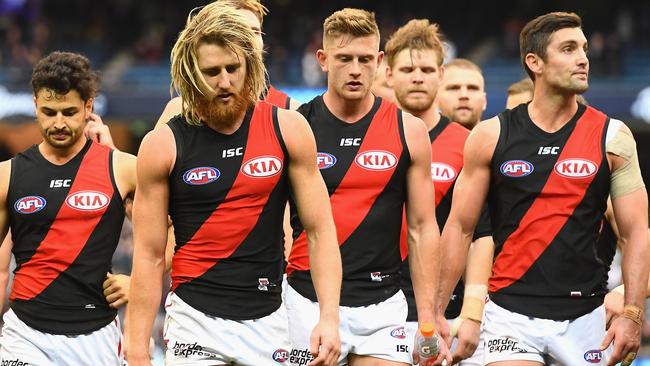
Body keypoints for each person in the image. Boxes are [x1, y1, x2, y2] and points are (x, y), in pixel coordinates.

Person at [126, 4, 342, 365]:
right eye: (211, 72)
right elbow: (148, 255)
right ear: (192, 73)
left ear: (250, 65)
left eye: (232, 69)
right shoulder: (163, 144)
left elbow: (320, 231)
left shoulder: (287, 129)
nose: (224, 82)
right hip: (193, 321)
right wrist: (136, 347)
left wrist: (330, 319)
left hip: (269, 319)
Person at [436, 12, 648, 366]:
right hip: (509, 315)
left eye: (582, 48)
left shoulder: (615, 137)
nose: (583, 58)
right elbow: (460, 228)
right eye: (568, 49)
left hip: (587, 316)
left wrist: (633, 311)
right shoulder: (490, 136)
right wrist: (437, 313)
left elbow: (636, 232)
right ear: (534, 62)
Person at [285, 9, 451, 366]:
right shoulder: (297, 126)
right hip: (305, 300)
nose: (356, 69)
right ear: (323, 60)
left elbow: (422, 228)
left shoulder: (409, 131)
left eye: (364, 59)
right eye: (344, 59)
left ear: (379, 61)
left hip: (383, 305)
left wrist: (427, 319)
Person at [0, 51, 136, 365]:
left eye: (69, 112)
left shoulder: (123, 168)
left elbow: (174, 235)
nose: (59, 123)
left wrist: (139, 281)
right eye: (49, 112)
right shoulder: (8, 175)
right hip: (25, 334)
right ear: (34, 104)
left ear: (88, 107)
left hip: (96, 335)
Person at [383, 19, 492, 366]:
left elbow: (480, 235)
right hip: (376, 308)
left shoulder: (468, 144)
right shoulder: (370, 137)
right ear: (388, 74)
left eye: (427, 69)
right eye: (408, 68)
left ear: (441, 75)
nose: (417, 77)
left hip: (448, 313)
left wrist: (471, 311)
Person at [156, 0, 299, 127]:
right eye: (238, 31)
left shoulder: (291, 110)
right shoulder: (181, 111)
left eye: (255, 32)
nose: (249, 41)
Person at [435, 59, 487, 130]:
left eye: (472, 88)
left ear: (484, 101)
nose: (464, 95)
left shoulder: (502, 140)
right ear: (436, 99)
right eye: (454, 88)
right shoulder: (421, 140)